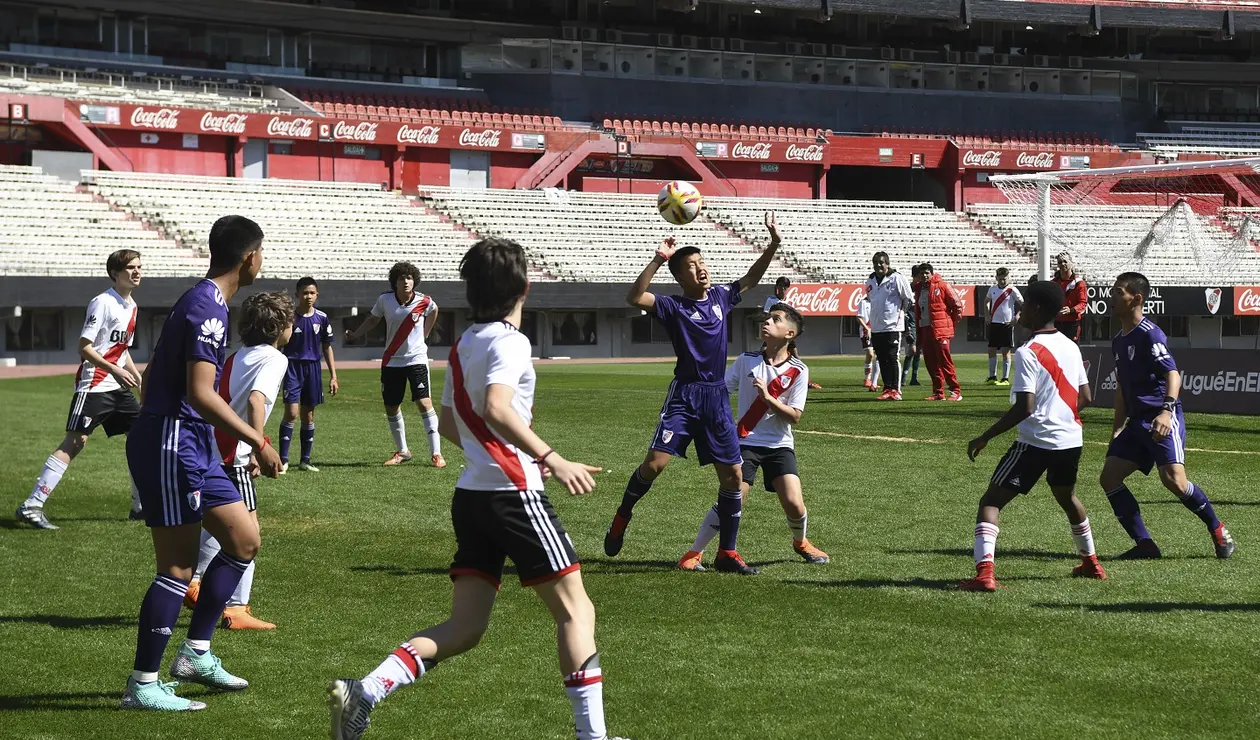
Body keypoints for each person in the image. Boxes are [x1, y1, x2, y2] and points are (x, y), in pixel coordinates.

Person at [328, 238, 623, 740]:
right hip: (513, 495)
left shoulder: (465, 342)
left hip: (473, 496)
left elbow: (448, 422)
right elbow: (496, 407)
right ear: (526, 287)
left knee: (465, 628)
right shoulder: (510, 341)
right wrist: (548, 457)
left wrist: (511, 455)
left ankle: (367, 690)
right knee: (577, 610)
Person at [121, 215, 282, 711]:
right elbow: (199, 391)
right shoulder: (208, 307)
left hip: (191, 440)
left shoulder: (201, 300)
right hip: (174, 440)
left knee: (243, 538)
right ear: (249, 258)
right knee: (176, 564)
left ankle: (195, 653)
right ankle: (143, 683)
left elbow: (151, 377)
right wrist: (257, 441)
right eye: (262, 253)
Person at [603, 212, 782, 576]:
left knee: (732, 477)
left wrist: (774, 244)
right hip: (685, 395)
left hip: (716, 398)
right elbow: (634, 296)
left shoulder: (720, 296)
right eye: (691, 266)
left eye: (702, 262)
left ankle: (727, 554)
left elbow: (751, 278)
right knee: (655, 465)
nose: (701, 269)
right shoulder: (673, 306)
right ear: (679, 276)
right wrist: (659, 258)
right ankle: (622, 516)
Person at [962, 281, 1105, 591]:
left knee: (991, 501)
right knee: (1067, 497)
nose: (1019, 310)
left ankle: (984, 574)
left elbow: (1025, 407)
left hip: (1036, 441)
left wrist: (985, 436)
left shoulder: (1028, 352)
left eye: (1024, 306)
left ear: (1037, 310)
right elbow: (1086, 396)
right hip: (1070, 439)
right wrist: (1061, 415)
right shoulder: (1070, 345)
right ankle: (1091, 563)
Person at [679, 303, 828, 570]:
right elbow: (722, 391)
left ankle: (801, 542)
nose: (767, 323)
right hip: (745, 441)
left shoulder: (799, 370)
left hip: (779, 444)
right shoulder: (747, 360)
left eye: (776, 320)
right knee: (735, 496)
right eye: (767, 319)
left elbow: (794, 416)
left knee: (794, 502)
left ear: (790, 334)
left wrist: (768, 398)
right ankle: (693, 553)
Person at [1099, 272, 1236, 560]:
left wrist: (1166, 410)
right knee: (1109, 477)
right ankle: (1145, 544)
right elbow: (1122, 387)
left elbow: (1172, 374)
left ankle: (1218, 528)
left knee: (1174, 481)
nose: (1112, 297)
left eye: (1118, 292)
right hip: (1137, 423)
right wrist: (1116, 428)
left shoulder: (1150, 334)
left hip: (1160, 416)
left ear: (1136, 299)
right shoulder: (1118, 341)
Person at [183, 292, 294, 631]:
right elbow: (257, 401)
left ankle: (193, 581)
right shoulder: (275, 358)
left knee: (224, 526)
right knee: (248, 533)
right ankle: (236, 607)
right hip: (235, 456)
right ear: (281, 328)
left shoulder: (236, 356)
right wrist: (259, 446)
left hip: (214, 451)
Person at [16, 249, 145, 529]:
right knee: (75, 442)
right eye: (130, 268)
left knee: (142, 437)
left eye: (139, 267)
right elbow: (84, 348)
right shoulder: (102, 303)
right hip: (95, 385)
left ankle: (140, 506)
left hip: (117, 386)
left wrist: (137, 375)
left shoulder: (132, 306)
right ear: (115, 274)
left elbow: (120, 351)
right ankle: (32, 504)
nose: (137, 272)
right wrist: (115, 370)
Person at [344, 262, 445, 468]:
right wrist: (355, 335)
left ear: (414, 280)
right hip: (391, 361)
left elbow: (434, 311)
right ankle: (403, 451)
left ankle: (436, 453)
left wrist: (425, 333)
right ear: (395, 282)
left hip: (416, 359)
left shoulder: (424, 301)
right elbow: (373, 320)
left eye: (409, 278)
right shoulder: (385, 300)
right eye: (401, 278)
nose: (406, 281)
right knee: (392, 407)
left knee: (424, 403)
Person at [277, 277, 338, 473]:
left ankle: (305, 460)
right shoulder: (289, 318)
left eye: (312, 293)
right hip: (292, 367)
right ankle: (284, 460)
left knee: (308, 415)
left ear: (317, 295)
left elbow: (327, 347)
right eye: (304, 292)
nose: (308, 296)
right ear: (297, 294)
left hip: (313, 368)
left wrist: (333, 376)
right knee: (292, 413)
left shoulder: (321, 318)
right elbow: (280, 344)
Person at [864, 252, 914, 401]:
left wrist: (900, 315)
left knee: (892, 357)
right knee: (882, 358)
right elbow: (871, 300)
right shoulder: (870, 280)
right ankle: (887, 388)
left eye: (881, 262)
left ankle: (896, 390)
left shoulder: (897, 278)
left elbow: (908, 299)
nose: (878, 265)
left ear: (887, 263)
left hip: (893, 325)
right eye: (876, 262)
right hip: (877, 326)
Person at [916, 264, 964, 402]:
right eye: (922, 273)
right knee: (931, 362)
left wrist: (950, 324)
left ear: (931, 273)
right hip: (925, 329)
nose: (924, 276)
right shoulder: (919, 289)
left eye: (926, 273)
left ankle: (955, 391)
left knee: (945, 361)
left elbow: (957, 305)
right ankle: (938, 392)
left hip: (940, 330)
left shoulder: (942, 285)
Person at [984, 267, 1023, 386]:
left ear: (1008, 278)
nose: (1002, 281)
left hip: (1006, 324)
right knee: (992, 349)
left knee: (1006, 351)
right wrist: (987, 315)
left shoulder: (1012, 290)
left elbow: (1023, 304)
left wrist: (1017, 317)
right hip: (994, 323)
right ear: (996, 278)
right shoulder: (992, 289)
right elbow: (986, 301)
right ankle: (992, 376)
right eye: (1000, 279)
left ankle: (1005, 378)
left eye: (1004, 279)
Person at [1052, 252, 1088, 343]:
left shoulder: (1079, 283)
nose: (1062, 264)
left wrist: (1071, 310)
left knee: (1072, 351)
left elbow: (1083, 303)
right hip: (1056, 323)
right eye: (1060, 262)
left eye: (1065, 261)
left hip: (1072, 323)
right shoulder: (1053, 283)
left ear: (1071, 264)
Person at [901, 265, 921, 387]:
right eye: (919, 276)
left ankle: (914, 378)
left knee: (918, 351)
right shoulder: (909, 289)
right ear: (914, 276)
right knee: (911, 350)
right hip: (911, 323)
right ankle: (903, 377)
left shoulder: (923, 289)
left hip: (920, 323)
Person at [856, 289, 879, 391]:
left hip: (878, 330)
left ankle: (873, 380)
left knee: (878, 355)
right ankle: (867, 379)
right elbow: (859, 317)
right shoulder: (863, 302)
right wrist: (866, 328)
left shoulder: (878, 302)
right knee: (870, 354)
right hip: (866, 331)